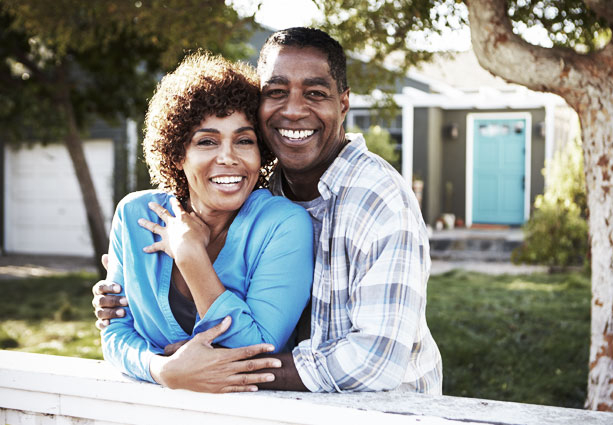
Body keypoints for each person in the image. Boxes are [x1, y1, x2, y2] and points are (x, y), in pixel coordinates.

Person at [94, 27, 442, 393]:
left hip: (391, 409)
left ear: (343, 104)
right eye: (276, 92)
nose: (292, 110)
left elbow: (376, 361)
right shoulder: (269, 186)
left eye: (315, 93)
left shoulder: (378, 201)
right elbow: (118, 328)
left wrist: (214, 368)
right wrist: (162, 368)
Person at [100, 51, 314, 392]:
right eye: (207, 141)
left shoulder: (283, 225)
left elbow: (258, 350)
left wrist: (189, 254)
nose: (228, 157)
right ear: (177, 154)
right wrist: (163, 369)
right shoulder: (135, 216)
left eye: (244, 140)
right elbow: (114, 331)